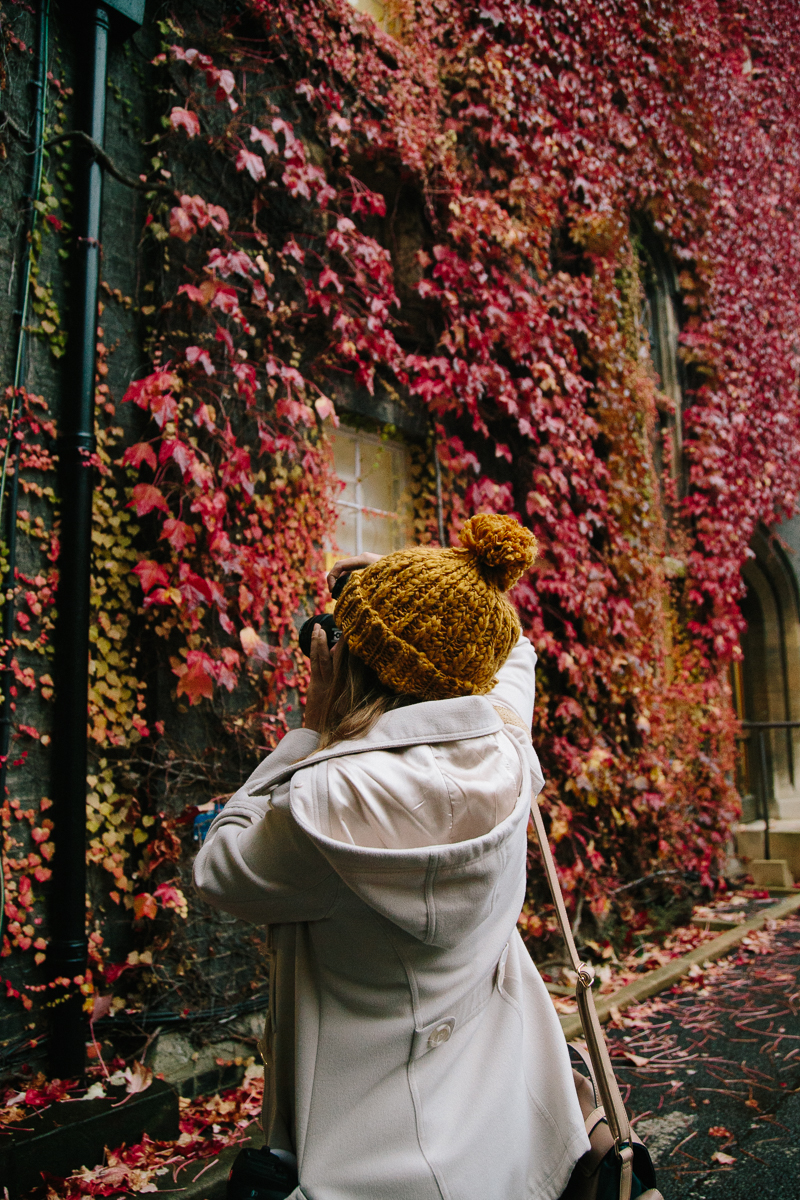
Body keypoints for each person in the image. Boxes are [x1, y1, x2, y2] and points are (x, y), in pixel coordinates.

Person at [193, 513, 589, 1200]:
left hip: (367, 1164)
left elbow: (219, 867)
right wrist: (430, 590)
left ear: (353, 663)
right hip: (497, 1138)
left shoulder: (325, 800)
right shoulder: (506, 754)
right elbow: (512, 652)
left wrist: (309, 731)